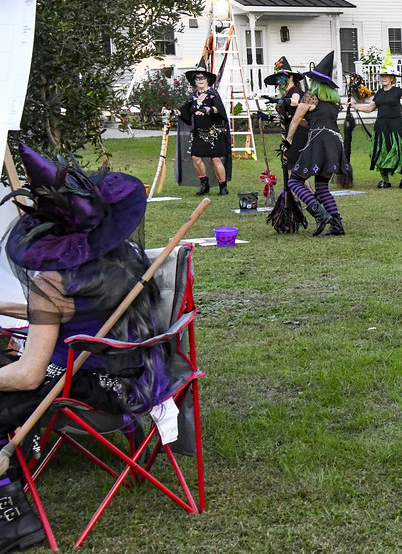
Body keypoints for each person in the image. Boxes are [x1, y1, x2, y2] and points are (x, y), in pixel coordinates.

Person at [0, 144, 168, 553]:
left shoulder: (52, 283)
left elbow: (29, 375)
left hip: (79, 382)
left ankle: (11, 514)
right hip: (132, 376)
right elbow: (70, 313)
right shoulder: (122, 260)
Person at [283, 51, 346, 236]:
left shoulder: (310, 96)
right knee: (321, 186)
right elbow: (314, 120)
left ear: (316, 82)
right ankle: (337, 226)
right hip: (335, 142)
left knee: (294, 180)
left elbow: (296, 120)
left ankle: (320, 214)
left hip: (319, 141)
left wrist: (289, 141)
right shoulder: (334, 101)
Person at [348, 49, 402, 189]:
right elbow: (369, 108)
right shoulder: (379, 93)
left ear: (392, 78)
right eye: (382, 76)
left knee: (400, 152)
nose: (383, 78)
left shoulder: (397, 91)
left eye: (386, 76)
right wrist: (354, 106)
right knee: (380, 152)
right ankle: (385, 181)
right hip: (381, 127)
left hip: (396, 127)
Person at [264, 57, 308, 233]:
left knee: (292, 171)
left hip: (298, 134)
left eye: (281, 78)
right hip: (290, 131)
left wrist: (281, 102)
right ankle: (309, 200)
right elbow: (287, 115)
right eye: (277, 79)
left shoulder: (295, 91)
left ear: (290, 77)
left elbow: (296, 103)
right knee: (293, 171)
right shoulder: (285, 94)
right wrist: (269, 117)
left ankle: (299, 201)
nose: (278, 81)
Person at [179, 58, 230, 196]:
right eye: (197, 78)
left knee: (215, 159)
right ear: (194, 81)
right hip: (199, 132)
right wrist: (172, 112)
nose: (200, 80)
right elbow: (184, 111)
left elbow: (219, 110)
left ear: (207, 79)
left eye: (202, 77)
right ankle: (204, 184)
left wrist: (208, 109)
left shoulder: (213, 94)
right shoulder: (193, 97)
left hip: (214, 132)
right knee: (196, 157)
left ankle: (223, 186)